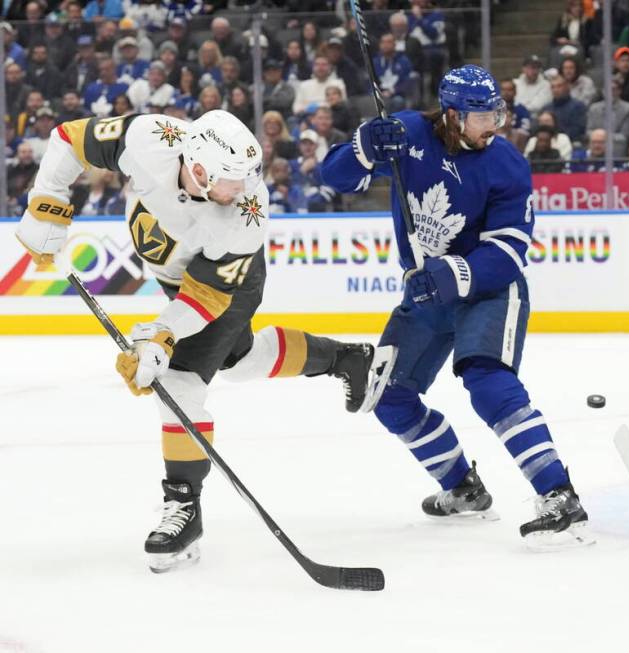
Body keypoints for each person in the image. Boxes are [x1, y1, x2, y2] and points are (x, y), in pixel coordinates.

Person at [14, 110, 393, 574]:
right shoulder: (148, 139)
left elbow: (208, 295)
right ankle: (345, 359)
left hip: (222, 287)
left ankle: (184, 506)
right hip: (178, 275)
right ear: (197, 169)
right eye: (232, 182)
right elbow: (68, 138)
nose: (245, 190)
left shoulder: (244, 217)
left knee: (178, 382)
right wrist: (46, 199)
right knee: (238, 358)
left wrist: (162, 335)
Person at [319, 65, 594, 549]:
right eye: (484, 115)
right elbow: (335, 177)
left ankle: (558, 494)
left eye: (497, 112)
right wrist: (363, 147)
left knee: (487, 381)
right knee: (389, 396)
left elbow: (510, 249)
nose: (495, 124)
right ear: (451, 114)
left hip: (487, 291)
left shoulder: (506, 164)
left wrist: (452, 274)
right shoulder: (408, 134)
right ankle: (462, 488)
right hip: (426, 295)